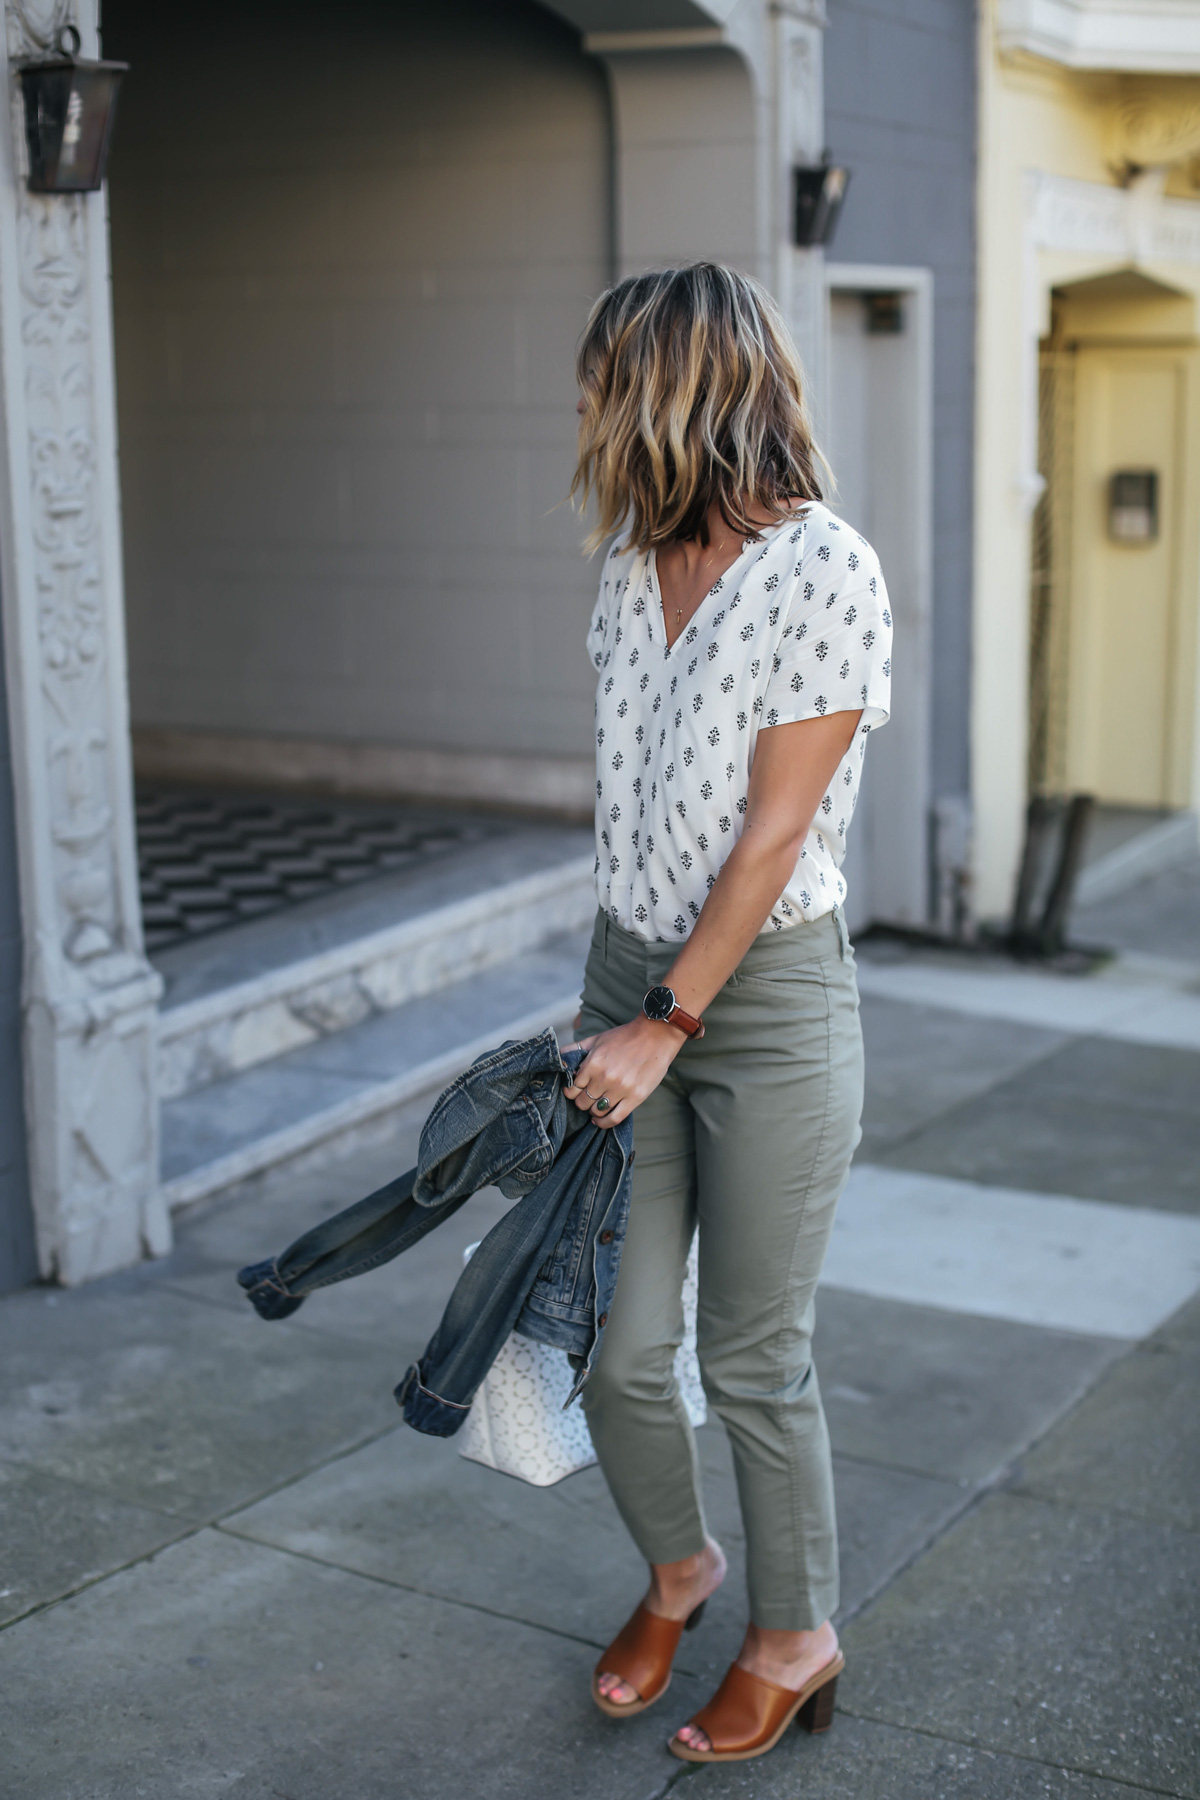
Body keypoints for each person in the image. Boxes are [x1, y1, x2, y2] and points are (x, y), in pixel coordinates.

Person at [563, 263, 892, 1765]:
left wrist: (666, 1022)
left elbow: (770, 836)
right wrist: (617, 1001)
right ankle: (682, 1573)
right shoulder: (632, 568)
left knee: (756, 1356)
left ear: (670, 394)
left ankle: (794, 1632)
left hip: (759, 1009)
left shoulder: (827, 567)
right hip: (626, 976)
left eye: (600, 385)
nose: (581, 413)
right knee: (620, 1351)